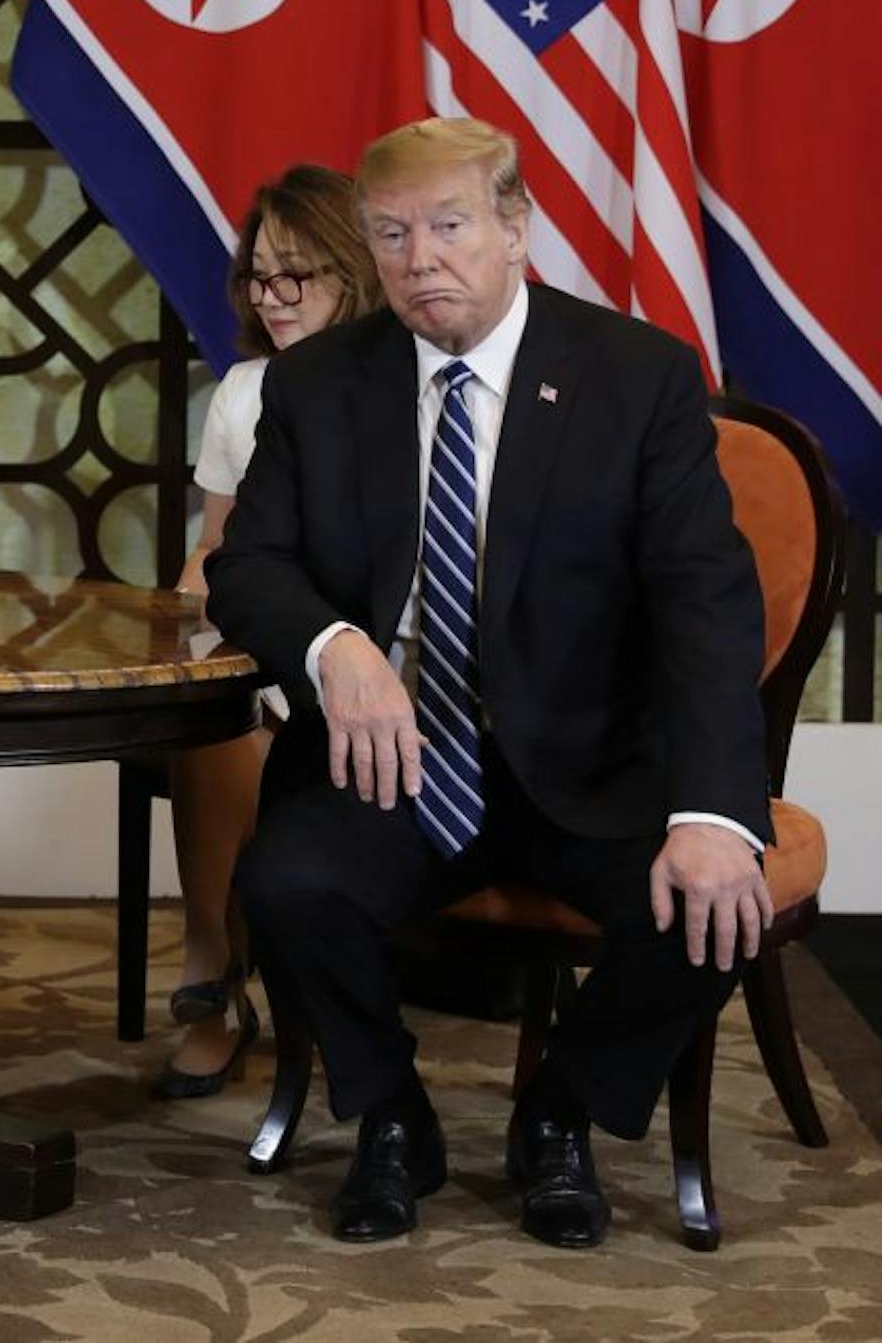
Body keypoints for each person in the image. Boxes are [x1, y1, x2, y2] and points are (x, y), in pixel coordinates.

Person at [206, 118, 771, 1249]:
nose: (422, 260)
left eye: (450, 226)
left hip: (589, 762)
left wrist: (715, 811)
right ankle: (394, 1118)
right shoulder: (317, 384)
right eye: (392, 235)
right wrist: (335, 646)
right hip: (395, 760)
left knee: (712, 910)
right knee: (288, 882)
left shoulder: (634, 376)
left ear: (516, 229)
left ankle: (560, 1117)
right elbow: (247, 565)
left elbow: (704, 599)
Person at [155, 164, 382, 1099]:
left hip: (371, 656)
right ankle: (212, 971)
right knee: (214, 714)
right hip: (266, 644)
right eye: (259, 275)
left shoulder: (405, 382)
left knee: (260, 717)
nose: (274, 297)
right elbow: (211, 555)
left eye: (301, 274)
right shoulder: (244, 391)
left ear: (354, 270)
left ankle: (260, 968)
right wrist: (193, 616)